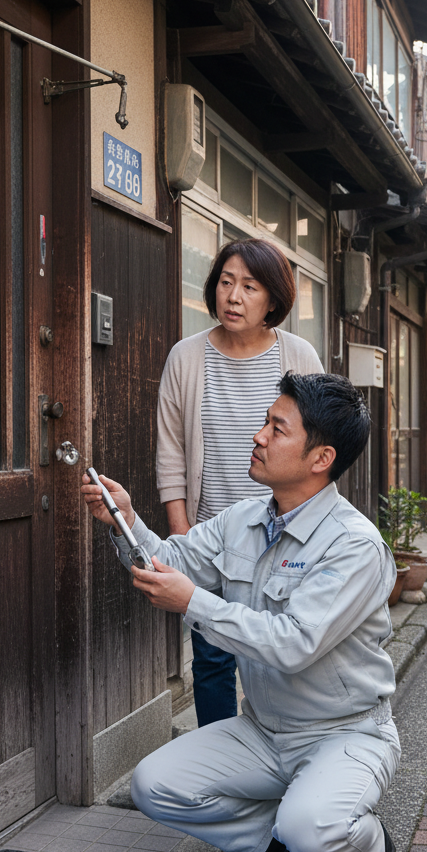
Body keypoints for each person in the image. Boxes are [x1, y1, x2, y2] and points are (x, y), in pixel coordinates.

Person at [82, 372, 399, 852]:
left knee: (315, 829)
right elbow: (170, 564)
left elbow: (294, 644)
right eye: (265, 422)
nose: (258, 436)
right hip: (263, 729)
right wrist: (126, 520)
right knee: (154, 786)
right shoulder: (244, 517)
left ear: (321, 457)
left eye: (277, 428)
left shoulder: (354, 547)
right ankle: (266, 841)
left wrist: (193, 605)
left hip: (344, 732)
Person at [157, 239, 323, 727]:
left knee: (280, 658)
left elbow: (320, 447)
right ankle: (218, 769)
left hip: (283, 537)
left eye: (249, 286)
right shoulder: (186, 358)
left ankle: (283, 753)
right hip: (212, 538)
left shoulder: (298, 356)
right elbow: (170, 455)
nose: (234, 296)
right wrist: (183, 536)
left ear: (272, 299)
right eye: (226, 282)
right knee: (211, 662)